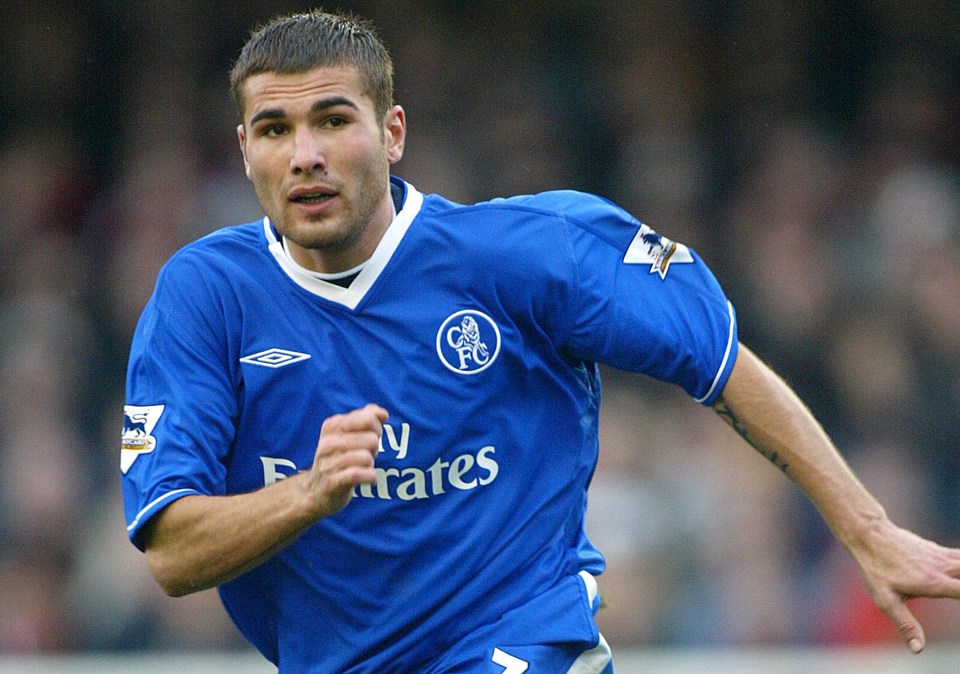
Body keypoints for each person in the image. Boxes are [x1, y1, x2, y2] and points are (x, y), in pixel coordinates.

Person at [120, 9, 960, 673]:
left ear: (393, 131)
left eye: (333, 120)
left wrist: (868, 529)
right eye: (274, 129)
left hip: (523, 641)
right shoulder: (205, 298)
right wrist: (307, 494)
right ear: (243, 150)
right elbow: (171, 549)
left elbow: (718, 361)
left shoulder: (525, 254)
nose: (304, 154)